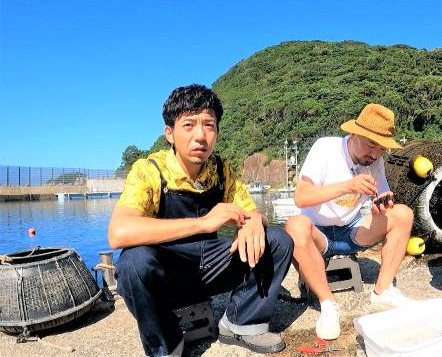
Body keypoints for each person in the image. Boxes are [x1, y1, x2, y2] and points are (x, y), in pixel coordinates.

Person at [108, 84, 293, 356]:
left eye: (209, 125)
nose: (200, 136)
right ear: (169, 133)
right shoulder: (149, 171)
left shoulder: (222, 171)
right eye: (189, 125)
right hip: (169, 274)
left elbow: (251, 211)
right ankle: (167, 343)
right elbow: (118, 232)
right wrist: (204, 223)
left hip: (213, 268)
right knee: (133, 262)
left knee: (277, 240)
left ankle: (241, 322)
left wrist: (255, 220)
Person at [284, 104, 415, 340]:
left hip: (351, 230)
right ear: (353, 134)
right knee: (294, 226)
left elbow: (383, 198)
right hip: (318, 235)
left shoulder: (375, 162)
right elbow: (301, 197)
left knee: (403, 214)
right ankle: (328, 305)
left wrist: (379, 207)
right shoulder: (326, 148)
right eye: (371, 143)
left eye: (382, 147)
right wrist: (347, 186)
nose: (375, 154)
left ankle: (383, 290)